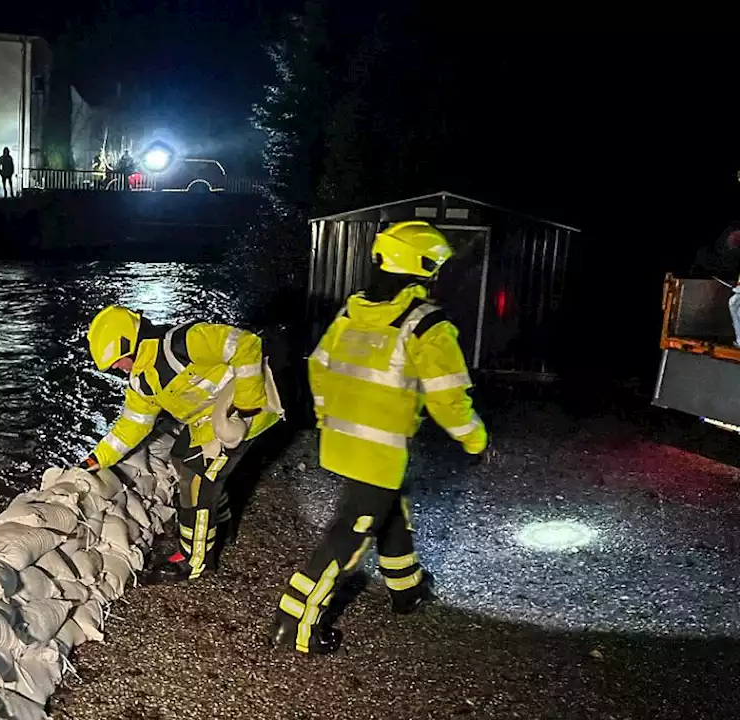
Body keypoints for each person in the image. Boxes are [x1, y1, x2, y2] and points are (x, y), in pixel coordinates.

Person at [269, 220, 490, 656]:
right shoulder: (427, 325)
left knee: (388, 509)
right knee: (348, 536)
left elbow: (318, 366)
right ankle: (294, 624)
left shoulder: (352, 313)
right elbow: (449, 399)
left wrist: (328, 414)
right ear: (420, 267)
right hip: (381, 453)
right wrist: (475, 440)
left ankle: (406, 588)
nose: (437, 277)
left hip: (340, 442)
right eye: (434, 268)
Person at [82, 306, 285, 583]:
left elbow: (245, 343)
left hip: (243, 417)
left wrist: (248, 404)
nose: (117, 368)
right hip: (207, 423)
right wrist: (96, 460)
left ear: (129, 342)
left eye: (116, 361)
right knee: (180, 457)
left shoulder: (182, 342)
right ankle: (220, 525)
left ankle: (196, 561)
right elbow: (131, 426)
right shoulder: (143, 380)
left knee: (199, 482)